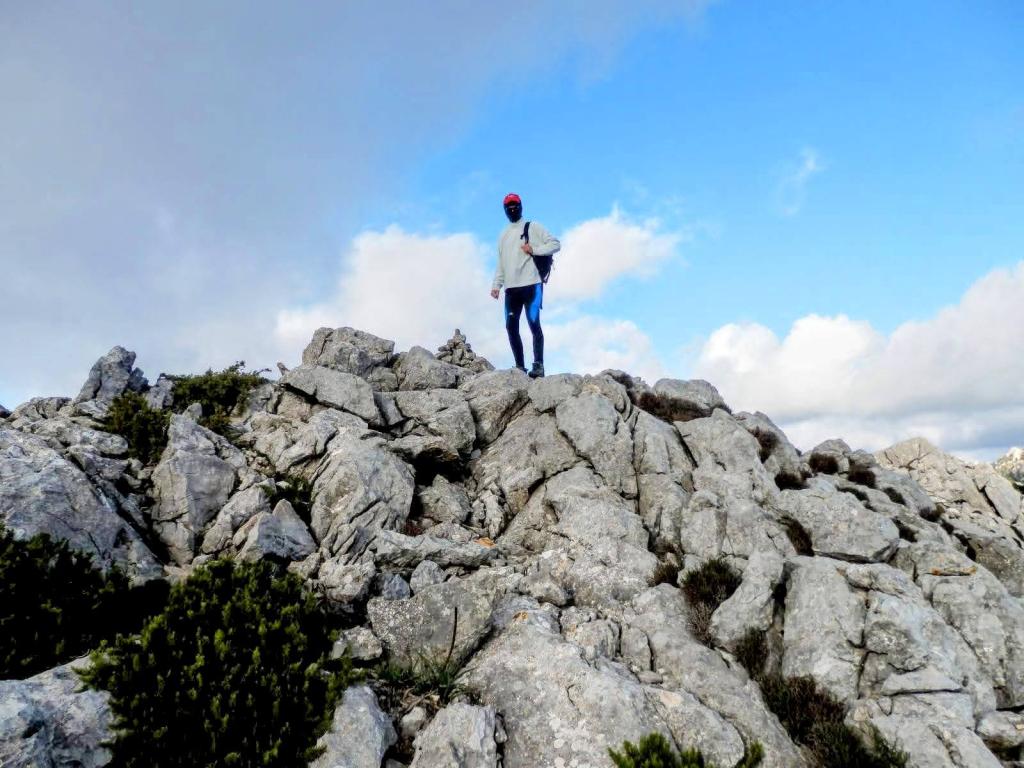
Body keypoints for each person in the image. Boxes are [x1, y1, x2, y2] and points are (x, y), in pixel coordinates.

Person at [490, 193, 560, 378]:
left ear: (520, 206)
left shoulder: (533, 227)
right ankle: (520, 367)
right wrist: (496, 285)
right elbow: (501, 262)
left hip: (532, 284)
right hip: (511, 289)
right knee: (511, 327)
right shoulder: (503, 235)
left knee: (534, 324)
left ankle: (538, 366)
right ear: (505, 210)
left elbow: (555, 244)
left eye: (515, 204)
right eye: (508, 206)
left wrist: (534, 250)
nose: (512, 208)